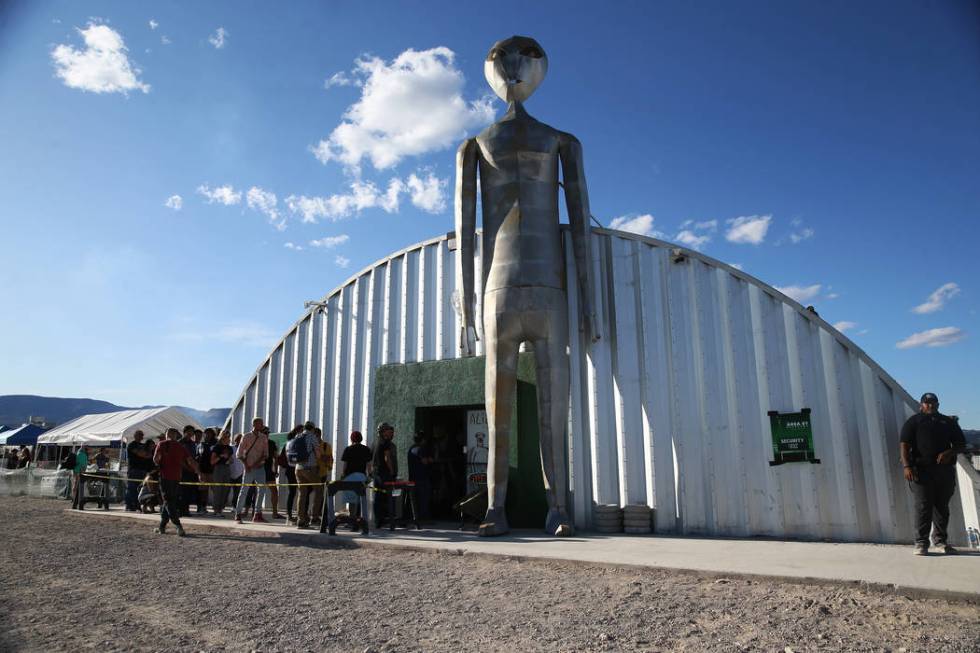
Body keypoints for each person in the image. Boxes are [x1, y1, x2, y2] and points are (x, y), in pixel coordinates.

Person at [900, 392, 967, 555]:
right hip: (921, 472)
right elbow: (904, 445)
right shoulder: (913, 422)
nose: (930, 405)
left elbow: (961, 444)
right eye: (927, 403)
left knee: (942, 508)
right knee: (923, 506)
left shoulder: (948, 422)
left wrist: (949, 453)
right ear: (921, 405)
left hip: (944, 472)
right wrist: (907, 466)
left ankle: (940, 542)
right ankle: (921, 543)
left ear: (938, 404)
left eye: (933, 402)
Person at [153, 427, 199, 536]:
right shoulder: (180, 446)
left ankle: (178, 526)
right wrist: (198, 472)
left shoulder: (161, 444)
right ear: (176, 435)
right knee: (169, 501)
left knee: (169, 501)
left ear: (166, 435)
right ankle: (162, 527)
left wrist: (158, 462)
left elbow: (155, 459)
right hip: (177, 477)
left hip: (165, 477)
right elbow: (190, 460)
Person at [234, 418, 270, 523]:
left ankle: (257, 514)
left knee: (262, 490)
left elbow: (265, 454)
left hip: (260, 468)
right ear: (254, 424)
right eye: (260, 423)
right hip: (248, 468)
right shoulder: (246, 436)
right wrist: (246, 465)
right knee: (244, 490)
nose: (262, 425)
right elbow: (239, 454)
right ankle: (238, 513)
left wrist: (258, 463)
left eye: (262, 424)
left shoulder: (264, 437)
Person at [289, 421, 320, 529]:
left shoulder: (298, 435)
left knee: (302, 494)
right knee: (319, 490)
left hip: (298, 468)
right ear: (312, 428)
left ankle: (300, 520)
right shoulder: (312, 437)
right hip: (309, 468)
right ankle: (314, 517)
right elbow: (318, 453)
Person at [340, 431, 372, 519]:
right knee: (361, 497)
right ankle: (361, 518)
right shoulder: (366, 449)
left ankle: (352, 518)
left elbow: (345, 465)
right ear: (361, 438)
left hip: (350, 477)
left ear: (351, 439)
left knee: (351, 499)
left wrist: (343, 476)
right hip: (361, 476)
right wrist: (369, 476)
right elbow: (369, 465)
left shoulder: (348, 449)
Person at [372, 422, 398, 527]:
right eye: (387, 429)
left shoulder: (375, 443)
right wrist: (392, 471)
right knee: (388, 496)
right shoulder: (386, 443)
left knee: (378, 497)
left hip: (376, 474)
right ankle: (390, 520)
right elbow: (387, 458)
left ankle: (378, 520)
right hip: (384, 474)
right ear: (383, 431)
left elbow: (370, 459)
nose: (389, 432)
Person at [408, 432, 434, 520]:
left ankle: (417, 516)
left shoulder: (412, 448)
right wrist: (430, 460)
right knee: (424, 497)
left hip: (414, 477)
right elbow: (425, 461)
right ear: (423, 440)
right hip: (421, 477)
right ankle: (423, 517)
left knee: (417, 498)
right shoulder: (420, 449)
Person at [125, 430, 153, 512]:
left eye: (142, 435)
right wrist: (147, 454)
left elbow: (148, 454)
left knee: (141, 489)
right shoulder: (131, 445)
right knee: (132, 488)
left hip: (143, 470)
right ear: (135, 436)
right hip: (133, 470)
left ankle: (138, 505)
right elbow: (143, 454)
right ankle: (129, 505)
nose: (141, 436)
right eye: (139, 435)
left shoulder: (143, 445)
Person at [278, 426, 301, 524]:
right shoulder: (296, 443)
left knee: (293, 493)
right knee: (298, 492)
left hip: (290, 470)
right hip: (295, 469)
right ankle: (294, 515)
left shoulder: (287, 444)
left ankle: (290, 514)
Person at [312, 427, 333, 524]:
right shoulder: (310, 445)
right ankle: (310, 515)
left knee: (319, 495)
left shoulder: (325, 445)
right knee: (306, 494)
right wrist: (322, 457)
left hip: (322, 473)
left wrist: (321, 457)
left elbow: (328, 458)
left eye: (315, 435)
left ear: (319, 435)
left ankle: (317, 514)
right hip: (310, 473)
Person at [210, 430, 234, 516]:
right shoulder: (216, 447)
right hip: (218, 468)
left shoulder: (230, 448)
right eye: (226, 436)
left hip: (227, 468)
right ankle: (216, 510)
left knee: (225, 490)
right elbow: (212, 461)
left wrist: (230, 460)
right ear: (222, 437)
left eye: (229, 436)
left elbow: (231, 460)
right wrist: (221, 456)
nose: (228, 438)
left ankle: (220, 509)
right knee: (218, 489)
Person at [178, 426, 199, 516]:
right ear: (185, 432)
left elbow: (193, 457)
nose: (191, 433)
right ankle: (180, 510)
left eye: (192, 432)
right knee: (181, 491)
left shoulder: (192, 443)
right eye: (189, 431)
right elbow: (179, 458)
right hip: (182, 470)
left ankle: (186, 509)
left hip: (191, 470)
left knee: (189, 491)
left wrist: (195, 468)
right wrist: (187, 467)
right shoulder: (179, 443)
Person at [196, 429, 217, 514]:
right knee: (203, 491)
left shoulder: (216, 444)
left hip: (214, 471)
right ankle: (202, 507)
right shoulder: (201, 444)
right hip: (203, 471)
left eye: (209, 434)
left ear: (213, 435)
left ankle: (217, 508)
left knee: (216, 490)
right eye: (206, 434)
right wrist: (199, 472)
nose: (207, 435)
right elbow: (197, 457)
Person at [263, 426, 282, 519]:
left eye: (267, 433)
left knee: (274, 491)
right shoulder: (257, 443)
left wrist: (276, 469)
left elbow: (276, 457)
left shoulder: (271, 443)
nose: (266, 434)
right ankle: (249, 511)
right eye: (265, 432)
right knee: (254, 491)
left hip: (268, 471)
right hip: (257, 470)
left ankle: (275, 512)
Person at [71, 446, 90, 510]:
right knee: (77, 485)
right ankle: (75, 499)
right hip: (80, 471)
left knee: (75, 485)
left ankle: (74, 499)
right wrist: (83, 469)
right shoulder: (83, 455)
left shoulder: (78, 454)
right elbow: (84, 464)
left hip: (76, 470)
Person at [229, 433, 245, 507]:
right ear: (235, 440)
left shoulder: (244, 450)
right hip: (230, 473)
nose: (239, 441)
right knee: (226, 491)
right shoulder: (230, 448)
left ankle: (234, 506)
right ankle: (221, 507)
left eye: (241, 439)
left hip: (240, 474)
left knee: (237, 492)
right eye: (238, 439)